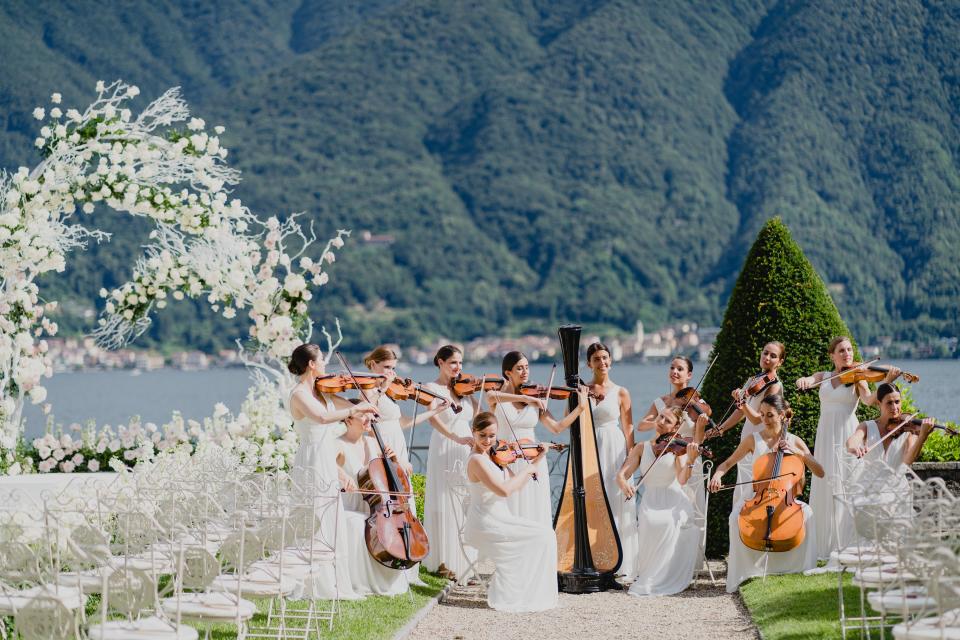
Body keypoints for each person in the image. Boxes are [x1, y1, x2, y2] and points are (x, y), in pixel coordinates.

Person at [795, 336, 902, 560]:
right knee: (824, 485)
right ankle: (822, 546)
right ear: (831, 355)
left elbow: (869, 400)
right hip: (825, 435)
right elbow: (805, 379)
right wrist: (803, 380)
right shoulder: (823, 377)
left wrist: (886, 382)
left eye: (850, 350)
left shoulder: (857, 378)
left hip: (846, 433)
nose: (847, 354)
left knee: (846, 483)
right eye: (841, 351)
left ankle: (846, 544)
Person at [287, 343, 377, 600]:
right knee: (314, 515)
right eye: (322, 361)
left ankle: (332, 581)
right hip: (311, 458)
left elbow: (345, 401)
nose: (326, 365)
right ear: (312, 364)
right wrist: (356, 409)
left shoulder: (321, 390)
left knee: (330, 515)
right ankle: (311, 583)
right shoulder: (299, 394)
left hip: (324, 457)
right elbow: (323, 418)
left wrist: (369, 396)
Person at [709, 395, 824, 592]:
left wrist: (798, 453)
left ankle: (802, 567)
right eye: (762, 414)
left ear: (782, 415)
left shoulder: (795, 440)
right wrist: (717, 476)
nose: (764, 419)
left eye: (769, 415)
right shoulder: (753, 439)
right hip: (757, 496)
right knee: (734, 518)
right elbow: (727, 463)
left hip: (785, 497)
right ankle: (745, 571)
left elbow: (820, 471)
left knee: (808, 514)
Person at [463, 412, 558, 612]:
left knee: (546, 535)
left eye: (492, 435)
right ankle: (514, 594)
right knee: (542, 537)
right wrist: (528, 469)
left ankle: (528, 592)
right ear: (473, 433)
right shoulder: (476, 461)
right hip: (485, 523)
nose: (488, 441)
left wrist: (536, 461)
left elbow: (517, 484)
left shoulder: (492, 456)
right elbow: (504, 490)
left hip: (500, 518)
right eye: (483, 436)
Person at [484, 351, 586, 525]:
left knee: (533, 511)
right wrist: (524, 398)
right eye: (519, 368)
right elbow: (491, 397)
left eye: (527, 367)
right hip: (504, 459)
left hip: (532, 460)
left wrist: (580, 408)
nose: (525, 372)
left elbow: (556, 428)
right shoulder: (498, 394)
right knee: (508, 511)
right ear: (508, 373)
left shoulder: (535, 398)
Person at [616, 406, 706, 594]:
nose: (661, 422)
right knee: (649, 522)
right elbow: (622, 475)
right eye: (661, 417)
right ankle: (650, 573)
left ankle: (663, 576)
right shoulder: (641, 447)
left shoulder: (676, 450)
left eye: (667, 420)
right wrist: (625, 485)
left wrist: (690, 459)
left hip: (674, 501)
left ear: (675, 427)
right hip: (651, 500)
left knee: (666, 523)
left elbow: (682, 480)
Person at [335, 408, 409, 596]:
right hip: (351, 504)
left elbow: (399, 472)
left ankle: (387, 573)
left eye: (370, 415)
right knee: (357, 524)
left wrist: (393, 460)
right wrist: (342, 475)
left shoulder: (372, 442)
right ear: (348, 420)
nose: (369, 418)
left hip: (376, 506)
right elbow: (325, 461)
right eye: (363, 415)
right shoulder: (339, 444)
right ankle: (360, 581)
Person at [421, 345, 478, 581]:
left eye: (461, 363)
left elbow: (478, 415)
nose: (458, 367)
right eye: (453, 362)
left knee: (465, 501)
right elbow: (433, 419)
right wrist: (455, 437)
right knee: (445, 500)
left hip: (466, 448)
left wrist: (473, 392)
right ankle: (444, 560)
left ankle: (466, 561)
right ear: (440, 362)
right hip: (445, 446)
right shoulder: (431, 388)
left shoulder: (461, 390)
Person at [584, 342, 637, 577]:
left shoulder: (621, 391)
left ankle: (619, 563)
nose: (602, 362)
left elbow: (628, 429)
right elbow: (569, 419)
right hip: (589, 447)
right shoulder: (582, 389)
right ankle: (594, 559)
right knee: (591, 502)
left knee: (614, 500)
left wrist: (629, 464)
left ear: (611, 360)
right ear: (589, 363)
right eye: (596, 358)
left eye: (605, 358)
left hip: (614, 448)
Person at [712, 342, 785, 512]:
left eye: (773, 356)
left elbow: (758, 419)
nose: (767, 358)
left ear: (780, 362)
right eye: (765, 353)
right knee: (742, 486)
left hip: (761, 440)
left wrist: (743, 402)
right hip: (747, 438)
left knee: (753, 488)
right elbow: (740, 412)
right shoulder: (753, 380)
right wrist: (721, 428)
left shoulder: (774, 386)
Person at [363, 345, 449, 472]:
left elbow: (404, 422)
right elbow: (366, 408)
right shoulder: (368, 390)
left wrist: (435, 411)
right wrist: (383, 388)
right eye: (387, 367)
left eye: (393, 368)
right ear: (373, 364)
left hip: (397, 442)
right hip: (382, 445)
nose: (391, 373)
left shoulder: (389, 392)